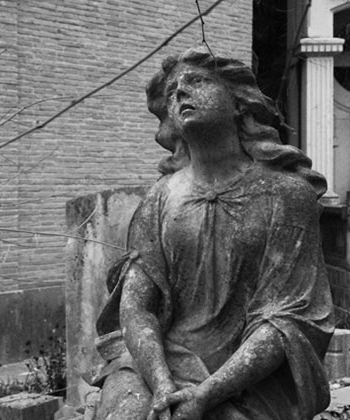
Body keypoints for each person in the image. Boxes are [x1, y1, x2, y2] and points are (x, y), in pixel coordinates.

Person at [93, 47, 334, 420]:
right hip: (159, 362)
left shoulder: (286, 194)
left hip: (250, 375)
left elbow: (290, 319)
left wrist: (206, 394)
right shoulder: (159, 199)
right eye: (172, 92)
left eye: (197, 82)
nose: (181, 94)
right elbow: (137, 308)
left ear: (240, 103)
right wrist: (161, 385)